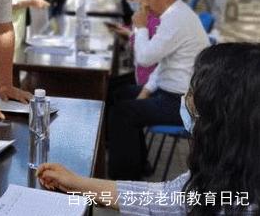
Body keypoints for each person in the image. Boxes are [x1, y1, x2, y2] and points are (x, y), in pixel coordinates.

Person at [38, 42, 260, 215]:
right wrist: (78, 183)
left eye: (192, 94)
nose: (185, 99)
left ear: (222, 117)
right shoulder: (226, 168)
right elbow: (165, 199)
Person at [107, 0, 210, 180]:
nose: (143, 2)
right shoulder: (175, 15)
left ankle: (126, 179)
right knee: (118, 93)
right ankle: (137, 162)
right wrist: (146, 90)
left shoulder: (177, 19)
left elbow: (145, 58)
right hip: (171, 91)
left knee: (123, 113)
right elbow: (163, 62)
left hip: (182, 102)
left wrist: (141, 27)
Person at [108, 0, 160, 87]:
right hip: (139, 72)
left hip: (147, 79)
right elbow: (135, 30)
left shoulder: (155, 20)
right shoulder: (142, 14)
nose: (131, 3)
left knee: (111, 88)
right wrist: (123, 28)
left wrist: (129, 34)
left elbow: (145, 49)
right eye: (128, 0)